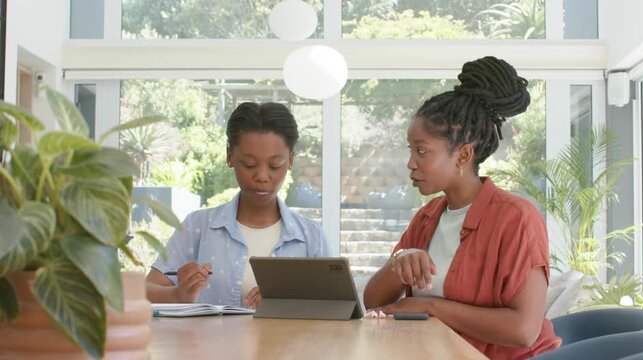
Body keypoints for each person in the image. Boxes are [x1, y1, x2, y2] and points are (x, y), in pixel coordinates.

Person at [363, 56, 561, 359]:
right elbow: (374, 301)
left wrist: (431, 306)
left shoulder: (516, 218)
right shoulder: (427, 218)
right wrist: (399, 262)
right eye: (410, 150)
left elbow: (524, 331)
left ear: (463, 154)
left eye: (422, 151)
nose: (411, 163)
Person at [146, 102, 331, 308]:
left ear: (290, 160)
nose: (261, 176)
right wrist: (179, 295)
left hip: (286, 341)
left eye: (274, 165)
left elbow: (333, 312)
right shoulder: (198, 227)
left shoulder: (311, 237)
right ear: (230, 156)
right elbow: (146, 291)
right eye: (249, 164)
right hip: (213, 341)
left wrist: (287, 305)